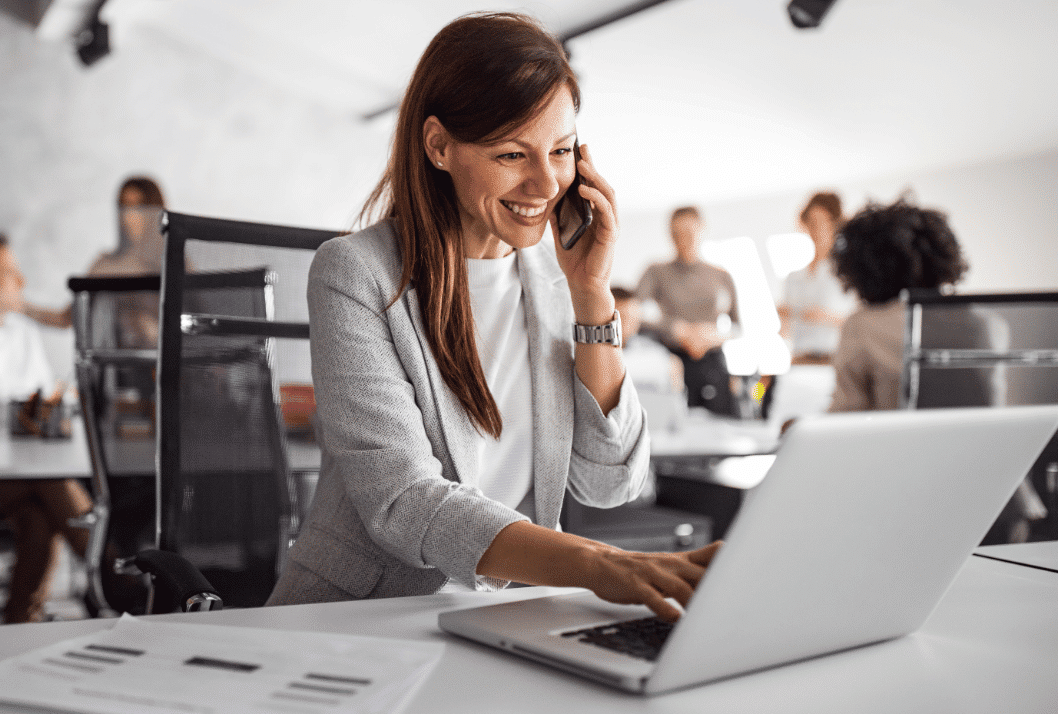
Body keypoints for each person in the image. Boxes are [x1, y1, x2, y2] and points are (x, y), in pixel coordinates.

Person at [266, 12, 720, 622]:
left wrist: (591, 294)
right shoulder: (355, 273)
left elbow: (612, 483)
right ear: (439, 147)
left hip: (514, 619)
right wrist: (598, 565)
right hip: (367, 618)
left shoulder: (557, 281)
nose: (545, 183)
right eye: (512, 154)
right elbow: (403, 502)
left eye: (561, 152)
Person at [827, 197, 1044, 543]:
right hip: (1003, 501)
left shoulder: (863, 326)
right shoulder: (989, 322)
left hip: (914, 505)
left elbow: (842, 427)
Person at [0, 233, 94, 624]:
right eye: (6, 273)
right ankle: (113, 572)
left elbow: (39, 397)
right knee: (53, 483)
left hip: (19, 473)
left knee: (41, 508)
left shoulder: (20, 332)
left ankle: (22, 620)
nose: (18, 281)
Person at [22, 176, 166, 348]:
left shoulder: (174, 261)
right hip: (111, 365)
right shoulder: (107, 265)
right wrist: (20, 306)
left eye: (138, 207)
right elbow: (65, 318)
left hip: (161, 364)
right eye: (123, 207)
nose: (128, 216)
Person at [636, 206, 741, 416]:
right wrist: (675, 328)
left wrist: (713, 336)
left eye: (689, 232)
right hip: (674, 362)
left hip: (713, 361)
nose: (683, 239)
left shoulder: (721, 275)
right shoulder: (657, 272)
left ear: (702, 230)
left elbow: (737, 327)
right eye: (677, 233)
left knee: (722, 424)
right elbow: (633, 314)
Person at [777, 191, 857, 364]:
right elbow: (785, 331)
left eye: (823, 222)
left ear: (835, 224)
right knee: (758, 391)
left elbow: (860, 322)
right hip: (799, 360)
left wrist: (824, 317)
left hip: (835, 360)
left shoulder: (847, 273)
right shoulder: (793, 277)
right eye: (812, 223)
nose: (817, 229)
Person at [612, 287, 683, 394]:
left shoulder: (652, 351)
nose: (631, 326)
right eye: (624, 317)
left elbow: (675, 384)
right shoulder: (587, 352)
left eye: (635, 318)